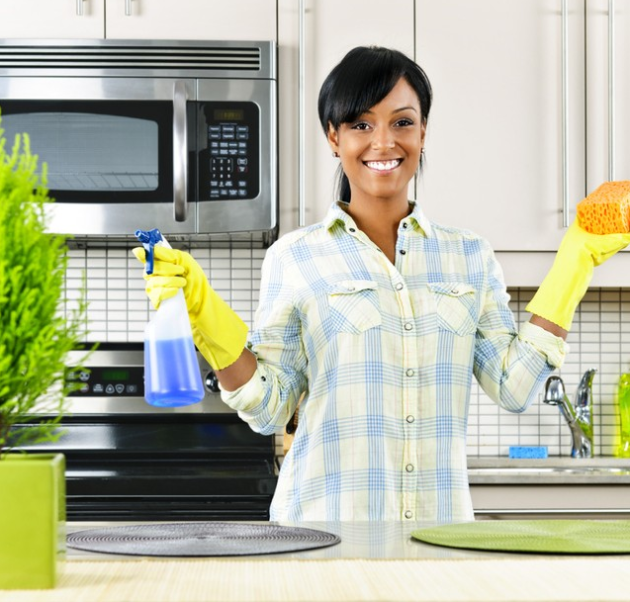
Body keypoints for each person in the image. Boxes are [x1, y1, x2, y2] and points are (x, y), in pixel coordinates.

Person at [133, 46, 630, 523]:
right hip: (323, 535)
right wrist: (203, 315)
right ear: (334, 137)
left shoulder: (469, 255)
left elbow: (514, 387)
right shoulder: (296, 256)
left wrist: (575, 262)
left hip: (438, 539)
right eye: (361, 124)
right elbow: (269, 408)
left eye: (402, 122)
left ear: (424, 131)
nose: (383, 142)